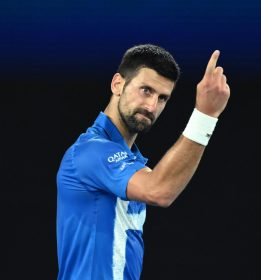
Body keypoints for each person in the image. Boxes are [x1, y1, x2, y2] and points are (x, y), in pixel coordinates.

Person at [56, 44, 230, 280]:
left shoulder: (132, 162)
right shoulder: (91, 151)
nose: (151, 106)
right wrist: (205, 116)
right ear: (117, 84)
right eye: (146, 90)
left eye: (162, 98)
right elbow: (160, 190)